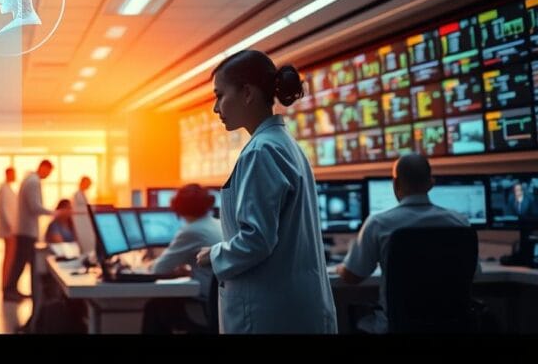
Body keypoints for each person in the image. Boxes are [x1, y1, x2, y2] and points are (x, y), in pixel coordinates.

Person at [195, 50, 337, 334]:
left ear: (247, 93)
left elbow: (257, 240)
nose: (215, 108)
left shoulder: (261, 152)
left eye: (220, 95)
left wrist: (213, 255)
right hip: (291, 308)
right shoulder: (283, 144)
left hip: (268, 314)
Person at [337, 153, 473, 333]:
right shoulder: (460, 223)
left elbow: (352, 277)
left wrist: (340, 266)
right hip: (452, 327)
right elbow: (473, 273)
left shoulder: (378, 223)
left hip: (397, 326)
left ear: (395, 184)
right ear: (431, 183)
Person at [142, 184, 223, 334]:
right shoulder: (217, 223)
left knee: (154, 307)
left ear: (178, 208)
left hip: (204, 306)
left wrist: (143, 266)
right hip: (219, 304)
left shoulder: (191, 231)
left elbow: (158, 269)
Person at [4, 159, 57, 301]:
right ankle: (10, 290)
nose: (48, 175)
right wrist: (53, 213)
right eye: (49, 172)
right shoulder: (33, 182)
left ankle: (12, 289)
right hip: (27, 231)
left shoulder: (29, 180)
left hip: (25, 229)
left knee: (21, 261)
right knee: (20, 262)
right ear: (43, 168)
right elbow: (35, 207)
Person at [0, 167, 18, 297]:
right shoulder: (3, 189)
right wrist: (10, 225)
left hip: (11, 227)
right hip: (9, 228)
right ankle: (6, 284)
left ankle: (7, 283)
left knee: (10, 257)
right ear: (8, 174)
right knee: (9, 257)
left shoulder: (8, 188)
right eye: (13, 174)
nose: (15, 176)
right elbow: (4, 209)